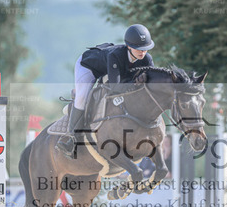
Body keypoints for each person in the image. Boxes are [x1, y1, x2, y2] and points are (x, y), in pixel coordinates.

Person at [57, 24, 155, 153]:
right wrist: (137, 83)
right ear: (129, 47)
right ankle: (71, 139)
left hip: (111, 71)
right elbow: (116, 88)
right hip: (88, 67)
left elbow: (151, 84)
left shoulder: (147, 59)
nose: (142, 52)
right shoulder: (116, 55)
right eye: (139, 49)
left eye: (145, 49)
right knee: (82, 98)